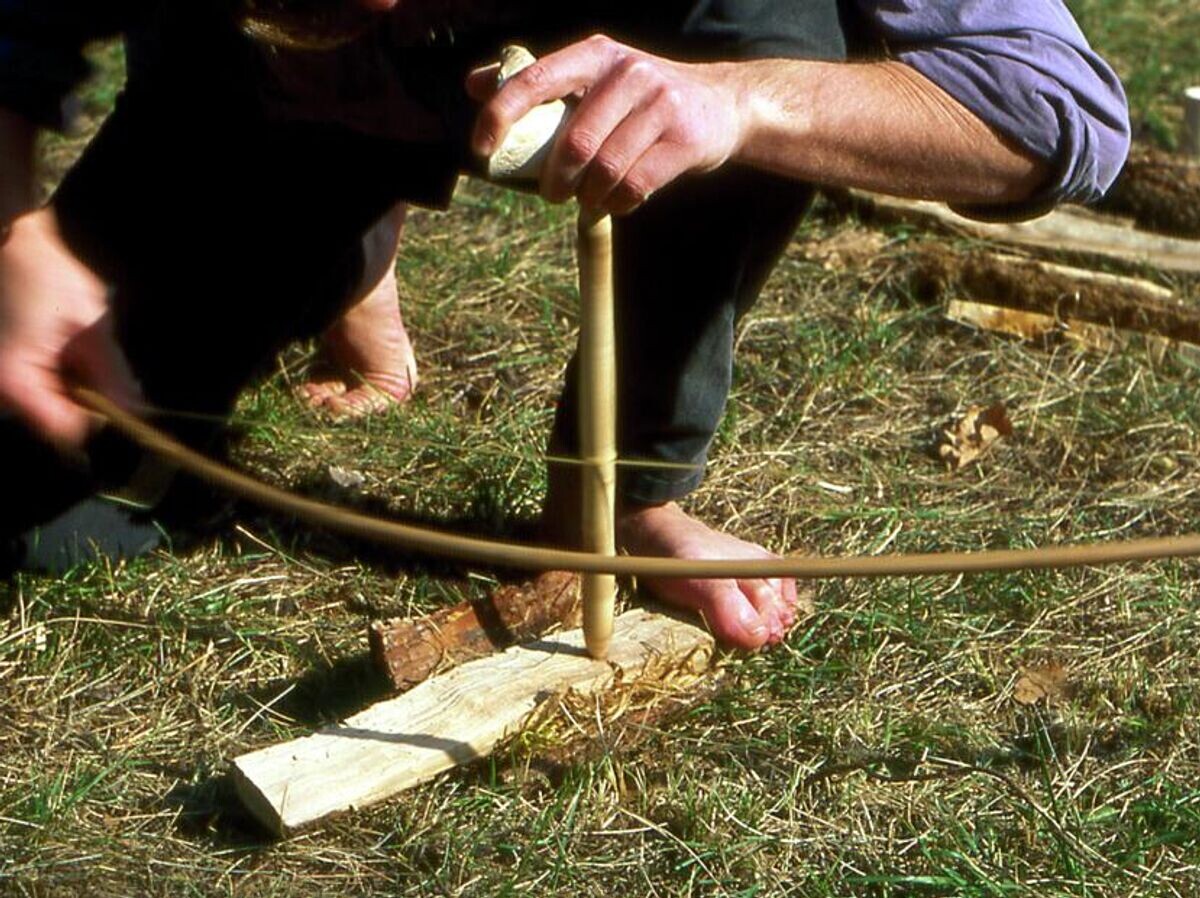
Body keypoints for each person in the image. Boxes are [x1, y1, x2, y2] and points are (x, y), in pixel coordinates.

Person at [0, 1, 1129, 649]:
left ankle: (625, 490)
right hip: (252, 89)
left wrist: (742, 101)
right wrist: (13, 234)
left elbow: (1054, 105)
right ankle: (340, 231)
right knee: (39, 501)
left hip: (656, 56)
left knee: (763, 14)